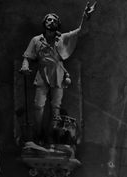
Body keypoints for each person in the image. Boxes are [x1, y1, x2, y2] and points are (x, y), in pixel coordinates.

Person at [20, 3, 96, 143]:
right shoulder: (36, 40)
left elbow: (80, 31)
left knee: (56, 107)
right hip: (42, 74)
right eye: (49, 19)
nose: (52, 22)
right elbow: (27, 56)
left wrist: (85, 17)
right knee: (38, 105)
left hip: (58, 75)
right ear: (45, 22)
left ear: (58, 24)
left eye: (55, 20)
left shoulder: (63, 38)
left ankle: (52, 136)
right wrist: (25, 66)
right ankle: (38, 135)